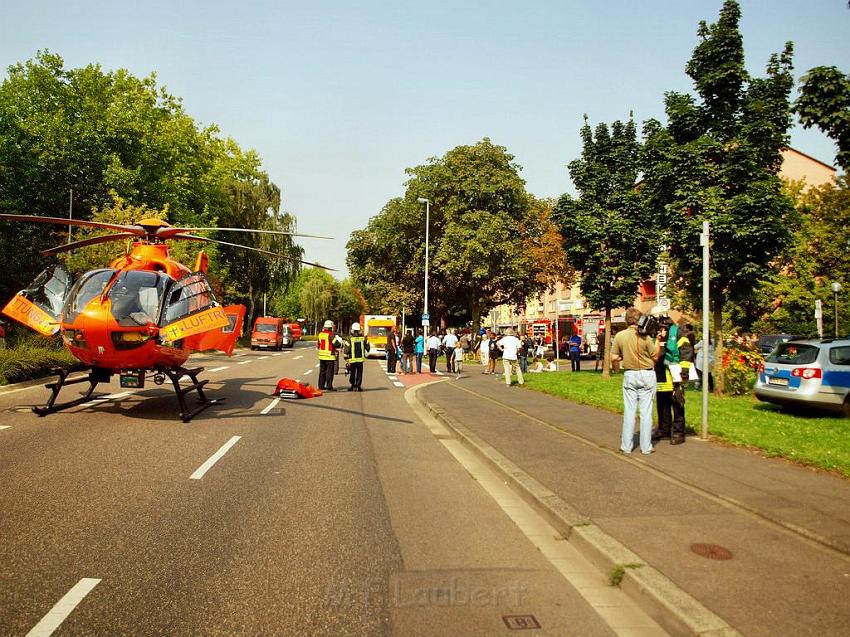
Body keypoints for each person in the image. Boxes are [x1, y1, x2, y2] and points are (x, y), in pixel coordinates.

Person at [611, 308, 664, 455]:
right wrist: (658, 341)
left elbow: (614, 357)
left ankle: (626, 446)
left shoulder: (620, 336)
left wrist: (617, 366)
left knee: (629, 411)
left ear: (627, 320)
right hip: (647, 375)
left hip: (629, 375)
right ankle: (646, 447)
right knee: (646, 412)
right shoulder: (645, 337)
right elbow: (655, 357)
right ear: (640, 319)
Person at [317, 319, 345, 392]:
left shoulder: (320, 334)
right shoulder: (331, 335)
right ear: (330, 327)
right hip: (329, 356)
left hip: (322, 356)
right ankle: (329, 387)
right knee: (329, 372)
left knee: (322, 372)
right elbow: (336, 344)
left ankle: (321, 386)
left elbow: (318, 344)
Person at [345, 322, 369, 391]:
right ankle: (358, 386)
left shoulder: (350, 338)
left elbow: (346, 349)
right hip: (360, 360)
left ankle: (352, 386)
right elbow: (368, 348)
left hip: (352, 359)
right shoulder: (363, 338)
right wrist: (366, 340)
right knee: (359, 373)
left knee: (352, 373)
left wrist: (346, 358)